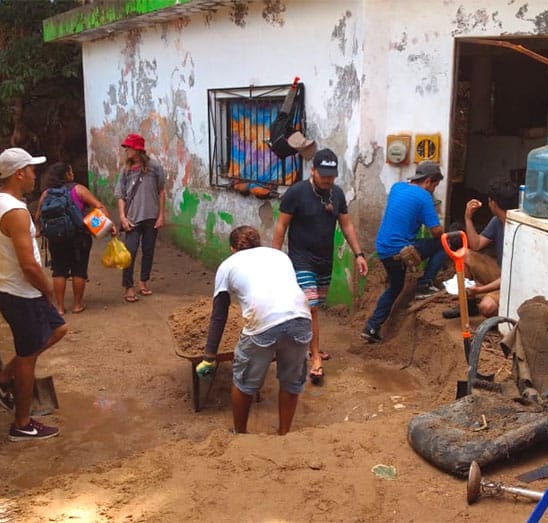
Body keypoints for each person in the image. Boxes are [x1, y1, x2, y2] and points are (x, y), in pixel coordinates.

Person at [0, 147, 67, 442]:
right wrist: (48, 289)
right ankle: (22, 424)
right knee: (28, 357)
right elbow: (29, 264)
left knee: (58, 329)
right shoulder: (15, 212)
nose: (35, 175)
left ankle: (2, 377)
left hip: (11, 288)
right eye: (32, 170)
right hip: (22, 294)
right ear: (19, 173)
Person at [195, 226, 312, 435]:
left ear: (232, 249)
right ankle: (284, 433)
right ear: (259, 243)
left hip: (263, 323)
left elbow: (219, 315)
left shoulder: (227, 265)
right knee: (291, 381)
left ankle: (240, 433)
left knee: (244, 382)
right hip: (300, 317)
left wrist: (209, 356)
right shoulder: (279, 255)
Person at [272, 148, 368, 385]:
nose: (327, 180)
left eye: (331, 176)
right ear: (312, 170)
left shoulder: (336, 195)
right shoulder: (296, 193)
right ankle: (315, 357)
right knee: (311, 307)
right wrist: (274, 258)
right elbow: (281, 226)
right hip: (300, 258)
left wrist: (359, 254)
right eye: (323, 175)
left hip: (324, 260)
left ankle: (306, 344)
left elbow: (346, 225)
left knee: (313, 307)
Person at [361, 160, 447, 343]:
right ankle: (425, 284)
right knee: (443, 243)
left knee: (395, 287)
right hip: (400, 250)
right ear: (429, 181)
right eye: (435, 185)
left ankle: (372, 326)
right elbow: (436, 231)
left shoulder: (397, 187)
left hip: (383, 248)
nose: (434, 189)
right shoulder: (424, 197)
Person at [34, 162, 117, 315]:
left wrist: (40, 231)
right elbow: (99, 206)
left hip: (56, 238)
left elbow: (38, 215)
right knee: (79, 270)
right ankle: (77, 305)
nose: (73, 174)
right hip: (79, 237)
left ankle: (59, 307)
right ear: (67, 175)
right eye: (70, 171)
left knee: (59, 270)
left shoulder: (47, 193)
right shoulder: (78, 189)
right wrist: (109, 226)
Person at [442, 176, 518, 319]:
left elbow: (509, 277)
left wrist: (479, 290)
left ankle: (503, 317)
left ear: (493, 203)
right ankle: (468, 306)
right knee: (464, 254)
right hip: (500, 272)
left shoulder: (518, 229)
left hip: (513, 282)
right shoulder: (497, 221)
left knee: (486, 307)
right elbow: (476, 244)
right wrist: (468, 217)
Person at [114, 133, 166, 303]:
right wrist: (122, 217)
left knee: (148, 251)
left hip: (151, 217)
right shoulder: (126, 170)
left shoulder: (155, 167)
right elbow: (120, 195)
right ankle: (128, 286)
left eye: (129, 147)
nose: (126, 150)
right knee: (130, 252)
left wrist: (161, 215)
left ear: (138, 149)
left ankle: (143, 282)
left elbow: (161, 191)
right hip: (132, 218)